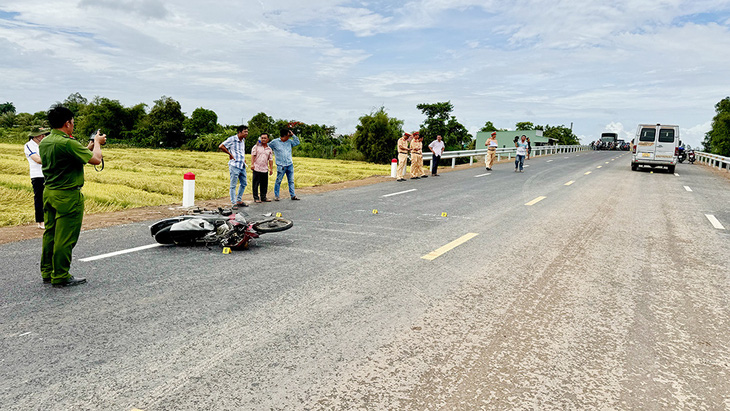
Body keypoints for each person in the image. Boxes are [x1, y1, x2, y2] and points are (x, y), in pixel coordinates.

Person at [39, 105, 105, 287]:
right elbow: (96, 159)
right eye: (73, 122)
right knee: (65, 237)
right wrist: (97, 143)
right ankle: (60, 275)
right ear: (67, 123)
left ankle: (47, 271)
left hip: (49, 192)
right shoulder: (68, 142)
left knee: (50, 233)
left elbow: (71, 156)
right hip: (67, 195)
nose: (73, 126)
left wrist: (88, 146)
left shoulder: (45, 141)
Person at [218, 125, 249, 208]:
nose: (247, 133)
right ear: (239, 132)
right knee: (233, 184)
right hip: (234, 165)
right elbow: (221, 146)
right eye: (245, 131)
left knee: (244, 183)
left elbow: (241, 151)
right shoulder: (232, 139)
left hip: (241, 165)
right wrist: (230, 154)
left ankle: (239, 200)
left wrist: (243, 159)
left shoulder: (243, 140)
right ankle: (233, 202)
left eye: (247, 131)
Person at [24, 130, 50, 228]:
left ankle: (48, 219)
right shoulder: (28, 145)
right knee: (39, 198)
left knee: (49, 198)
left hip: (47, 174)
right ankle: (41, 221)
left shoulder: (44, 144)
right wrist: (53, 159)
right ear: (35, 136)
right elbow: (38, 160)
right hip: (37, 175)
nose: (43, 136)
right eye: (41, 135)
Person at [269, 127, 301, 200]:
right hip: (281, 165)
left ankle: (293, 195)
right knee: (278, 181)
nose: (289, 137)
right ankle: (277, 196)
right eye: (288, 135)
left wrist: (293, 135)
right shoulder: (275, 142)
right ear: (284, 136)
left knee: (291, 181)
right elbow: (267, 146)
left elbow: (297, 142)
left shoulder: (289, 142)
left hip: (289, 164)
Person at [251, 133, 274, 203]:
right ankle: (256, 198)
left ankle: (263, 197)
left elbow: (270, 160)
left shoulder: (269, 149)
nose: (263, 139)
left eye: (265, 138)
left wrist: (271, 169)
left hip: (265, 169)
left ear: (268, 139)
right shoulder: (256, 147)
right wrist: (252, 164)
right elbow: (253, 156)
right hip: (257, 168)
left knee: (264, 184)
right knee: (255, 184)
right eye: (262, 138)